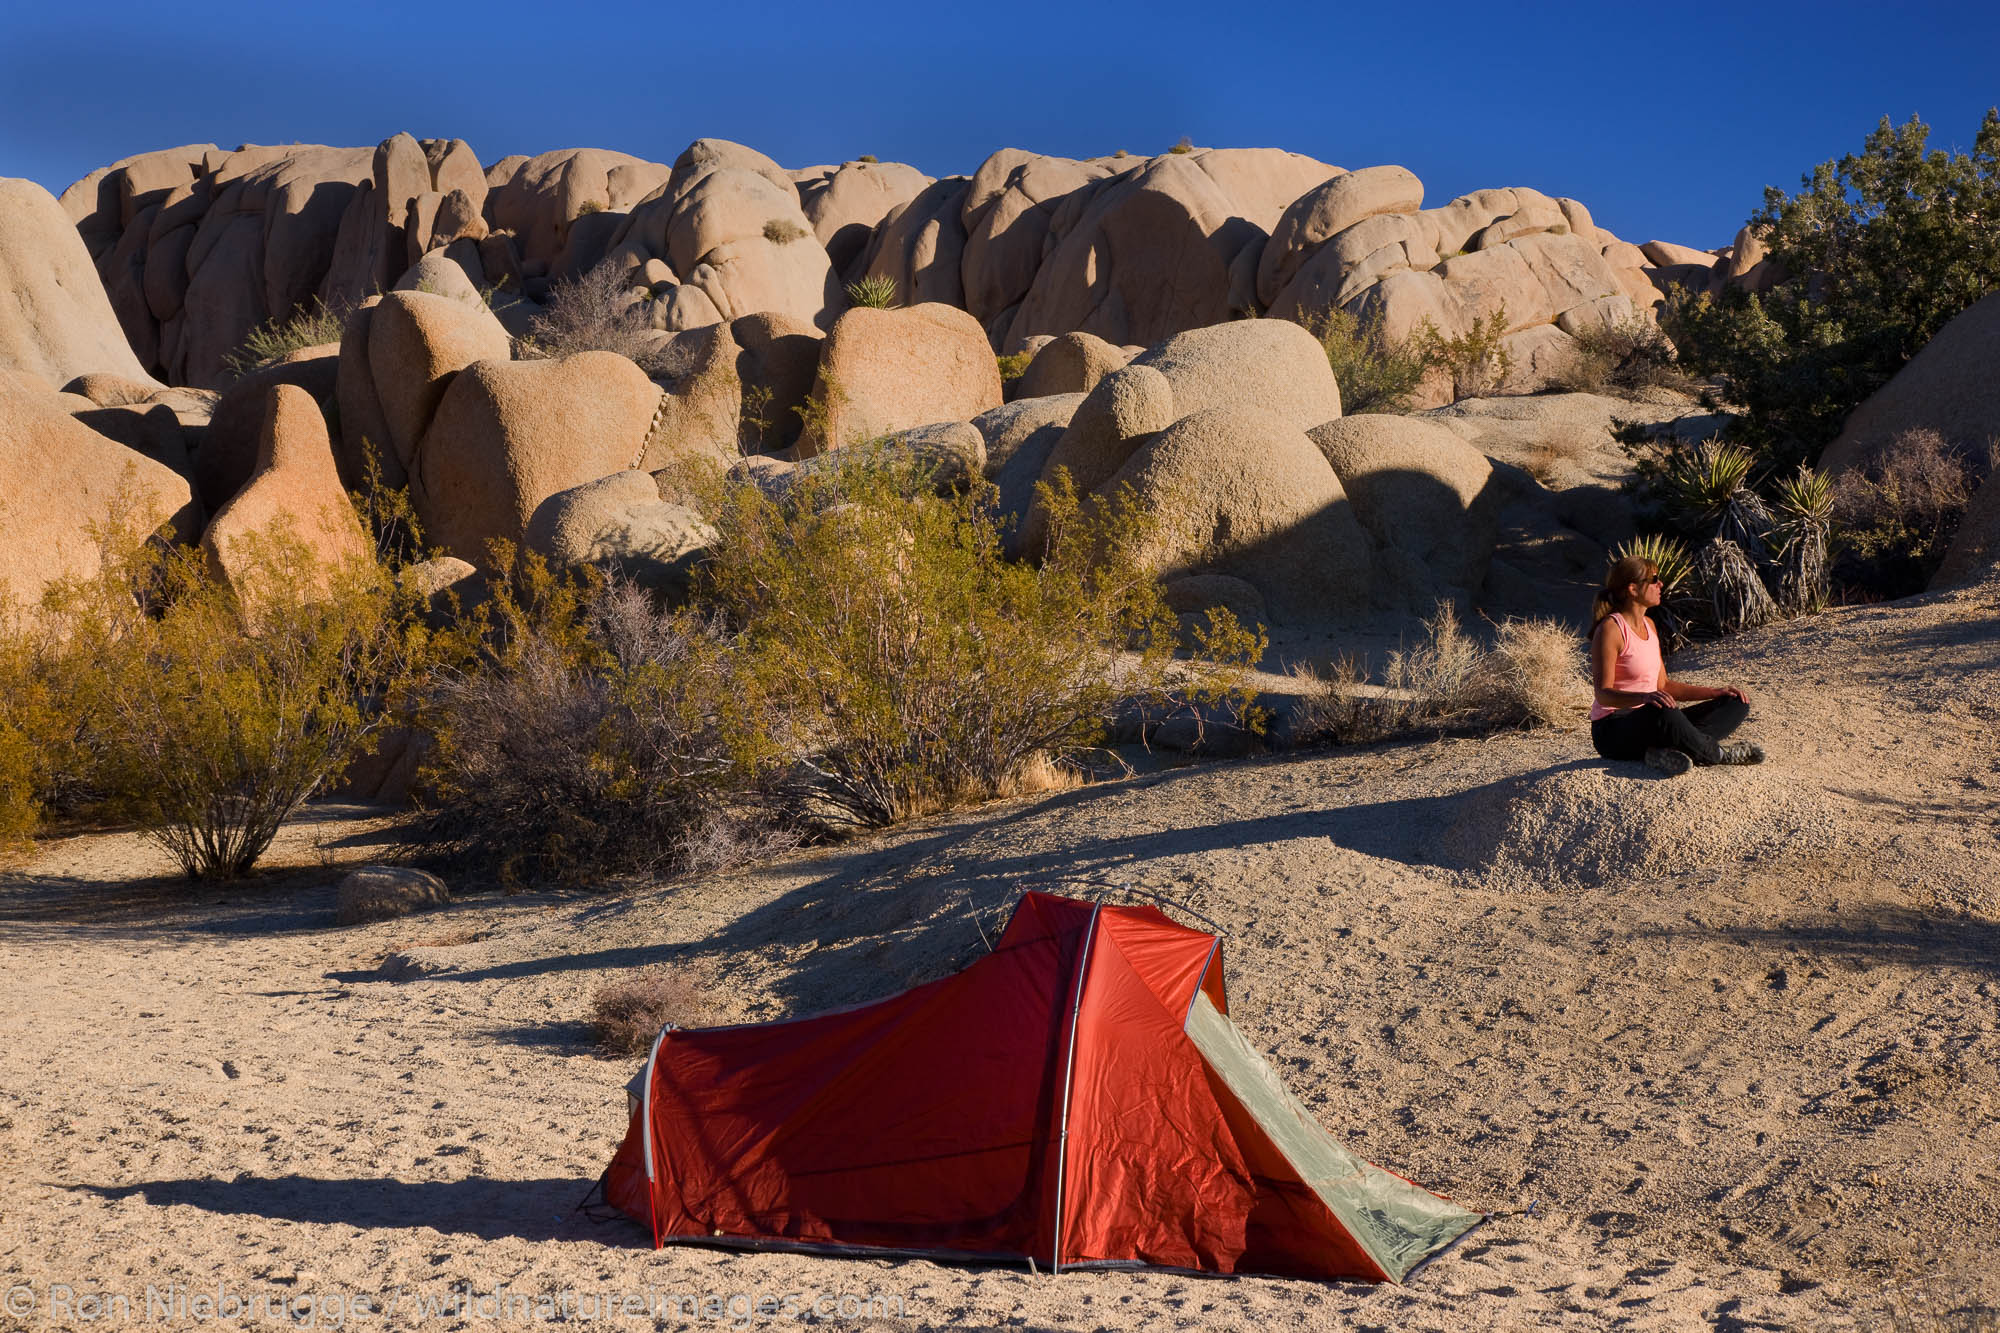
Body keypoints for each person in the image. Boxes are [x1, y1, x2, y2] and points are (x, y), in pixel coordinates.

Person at [1588, 554, 1764, 776]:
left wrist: (1714, 693)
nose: (1660, 584)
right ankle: (1718, 754)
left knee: (1736, 703)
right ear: (1633, 589)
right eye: (1654, 580)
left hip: (1653, 720)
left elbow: (1664, 685)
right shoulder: (1611, 629)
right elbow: (1603, 695)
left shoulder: (1649, 625)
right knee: (1663, 713)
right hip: (1613, 730)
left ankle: (1660, 751)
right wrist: (1643, 698)